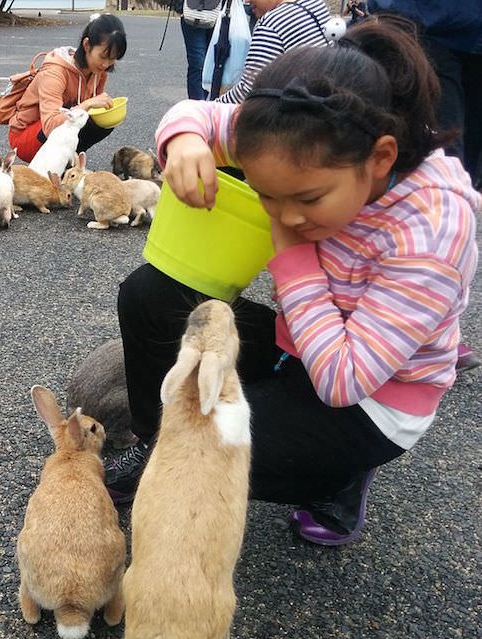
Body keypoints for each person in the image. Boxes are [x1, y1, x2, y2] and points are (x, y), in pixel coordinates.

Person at [105, 18, 479, 547]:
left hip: (368, 399)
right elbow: (197, 115)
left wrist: (292, 251)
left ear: (381, 158)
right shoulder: (299, 132)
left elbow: (343, 379)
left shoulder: (432, 230)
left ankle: (337, 477)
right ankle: (154, 438)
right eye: (268, 195)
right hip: (299, 345)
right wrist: (185, 139)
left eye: (306, 199)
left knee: (206, 444)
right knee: (149, 296)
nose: (285, 214)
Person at [367, 1, 482, 373]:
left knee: (466, 178)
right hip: (422, 20)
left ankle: (433, 318)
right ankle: (405, 318)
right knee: (425, 159)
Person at [7, 14, 127, 164]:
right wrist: (87, 104)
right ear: (87, 45)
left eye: (112, 58)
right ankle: (52, 166)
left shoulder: (99, 72)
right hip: (26, 137)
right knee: (80, 115)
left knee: (103, 121)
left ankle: (67, 162)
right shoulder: (54, 72)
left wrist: (95, 108)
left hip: (55, 127)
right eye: (103, 56)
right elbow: (50, 126)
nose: (106, 64)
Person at [216, 0, 330, 103]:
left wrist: (208, 111)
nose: (247, 1)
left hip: (299, 116)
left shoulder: (272, 23)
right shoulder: (315, 4)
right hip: (327, 107)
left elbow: (248, 92)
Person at [176, 0, 221, 100]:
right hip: (192, 13)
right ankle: (198, 106)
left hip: (220, 14)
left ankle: (202, 104)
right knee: (198, 64)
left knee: (213, 64)